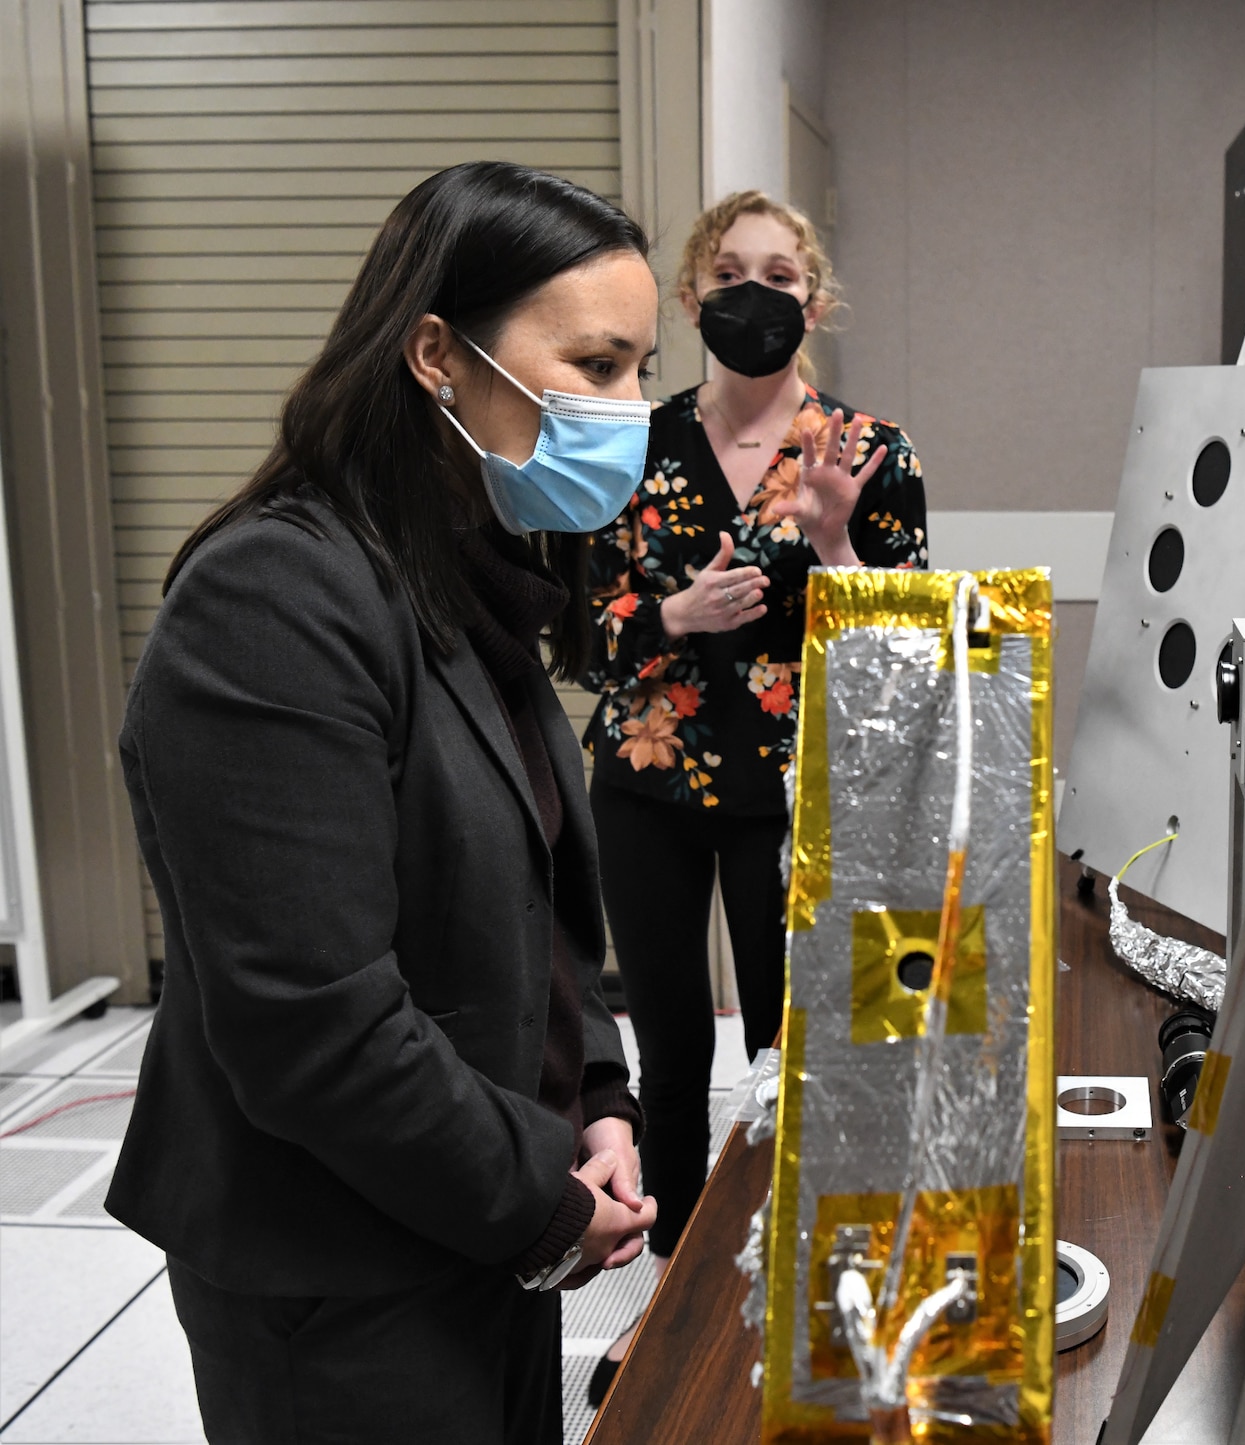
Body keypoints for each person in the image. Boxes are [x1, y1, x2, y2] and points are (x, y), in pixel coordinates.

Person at [107, 162, 661, 1445]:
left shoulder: (461, 570)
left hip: (475, 1216)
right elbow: (313, 1019)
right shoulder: (273, 601)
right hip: (340, 1263)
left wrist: (598, 1101)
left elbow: (534, 905)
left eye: (640, 366)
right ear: (434, 355)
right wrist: (542, 1198)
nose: (630, 409)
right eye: (595, 365)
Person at [582, 191, 926, 1395]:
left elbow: (909, 648)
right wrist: (669, 613)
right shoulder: (626, 442)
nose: (752, 291)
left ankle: (794, 1298)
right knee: (669, 1047)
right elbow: (573, 626)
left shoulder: (867, 451)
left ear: (812, 301)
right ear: (689, 296)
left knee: (797, 1053)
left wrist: (834, 547)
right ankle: (676, 1295)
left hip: (797, 794)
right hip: (647, 784)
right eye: (728, 271)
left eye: (778, 274)